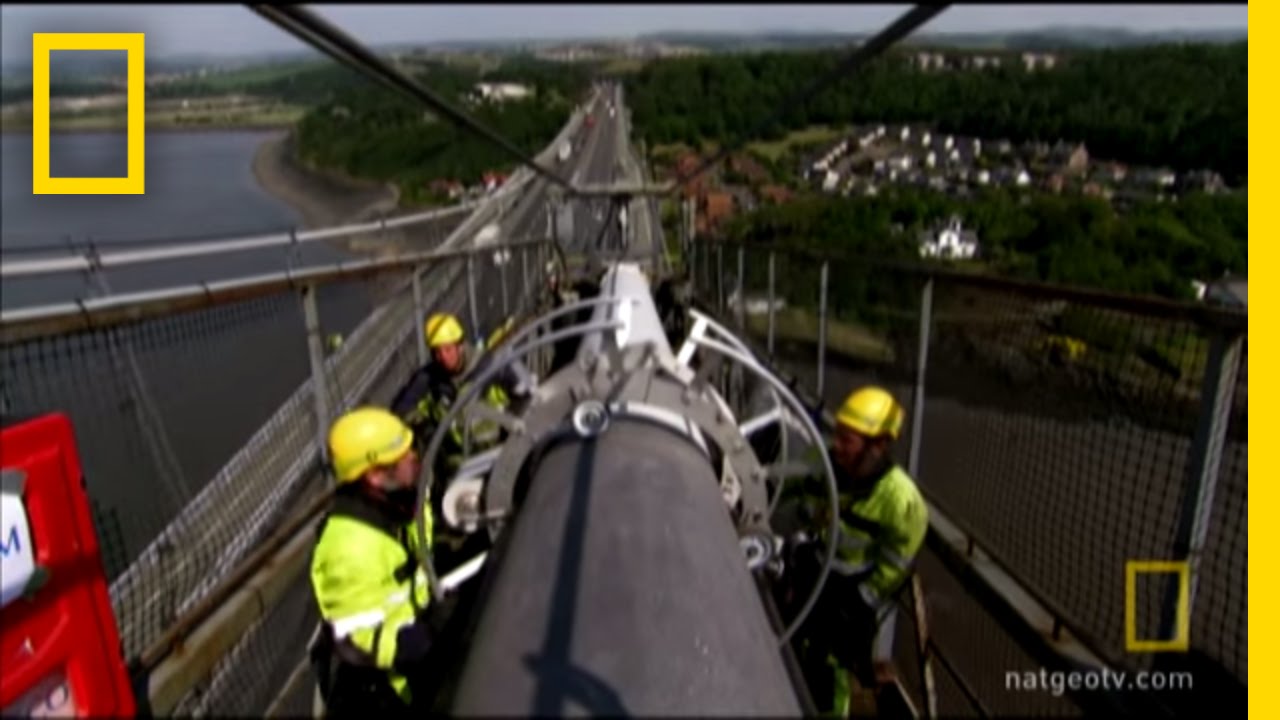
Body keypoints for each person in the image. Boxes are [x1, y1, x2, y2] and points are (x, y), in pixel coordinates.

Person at [780, 385, 928, 717]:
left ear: (878, 446)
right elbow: (784, 483)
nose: (837, 445)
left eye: (848, 440)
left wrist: (866, 597)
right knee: (797, 645)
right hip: (814, 571)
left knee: (832, 670)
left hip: (850, 596)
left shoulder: (900, 500)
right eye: (838, 435)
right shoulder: (825, 462)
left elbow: (898, 559)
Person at [309, 407, 437, 715]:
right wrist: (411, 644)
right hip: (384, 688)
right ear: (376, 475)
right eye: (402, 456)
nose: (414, 458)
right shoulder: (349, 549)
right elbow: (353, 637)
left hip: (419, 630)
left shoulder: (401, 504)